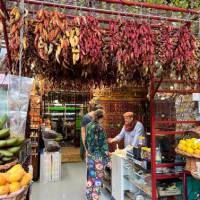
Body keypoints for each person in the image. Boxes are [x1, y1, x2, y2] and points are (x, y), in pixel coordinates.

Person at [85, 109, 110, 200]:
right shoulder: (99, 127)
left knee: (91, 176)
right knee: (98, 178)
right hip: (98, 156)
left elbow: (86, 140)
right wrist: (107, 158)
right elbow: (103, 144)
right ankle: (95, 197)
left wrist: (88, 151)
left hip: (91, 155)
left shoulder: (89, 125)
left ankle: (88, 195)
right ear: (101, 117)